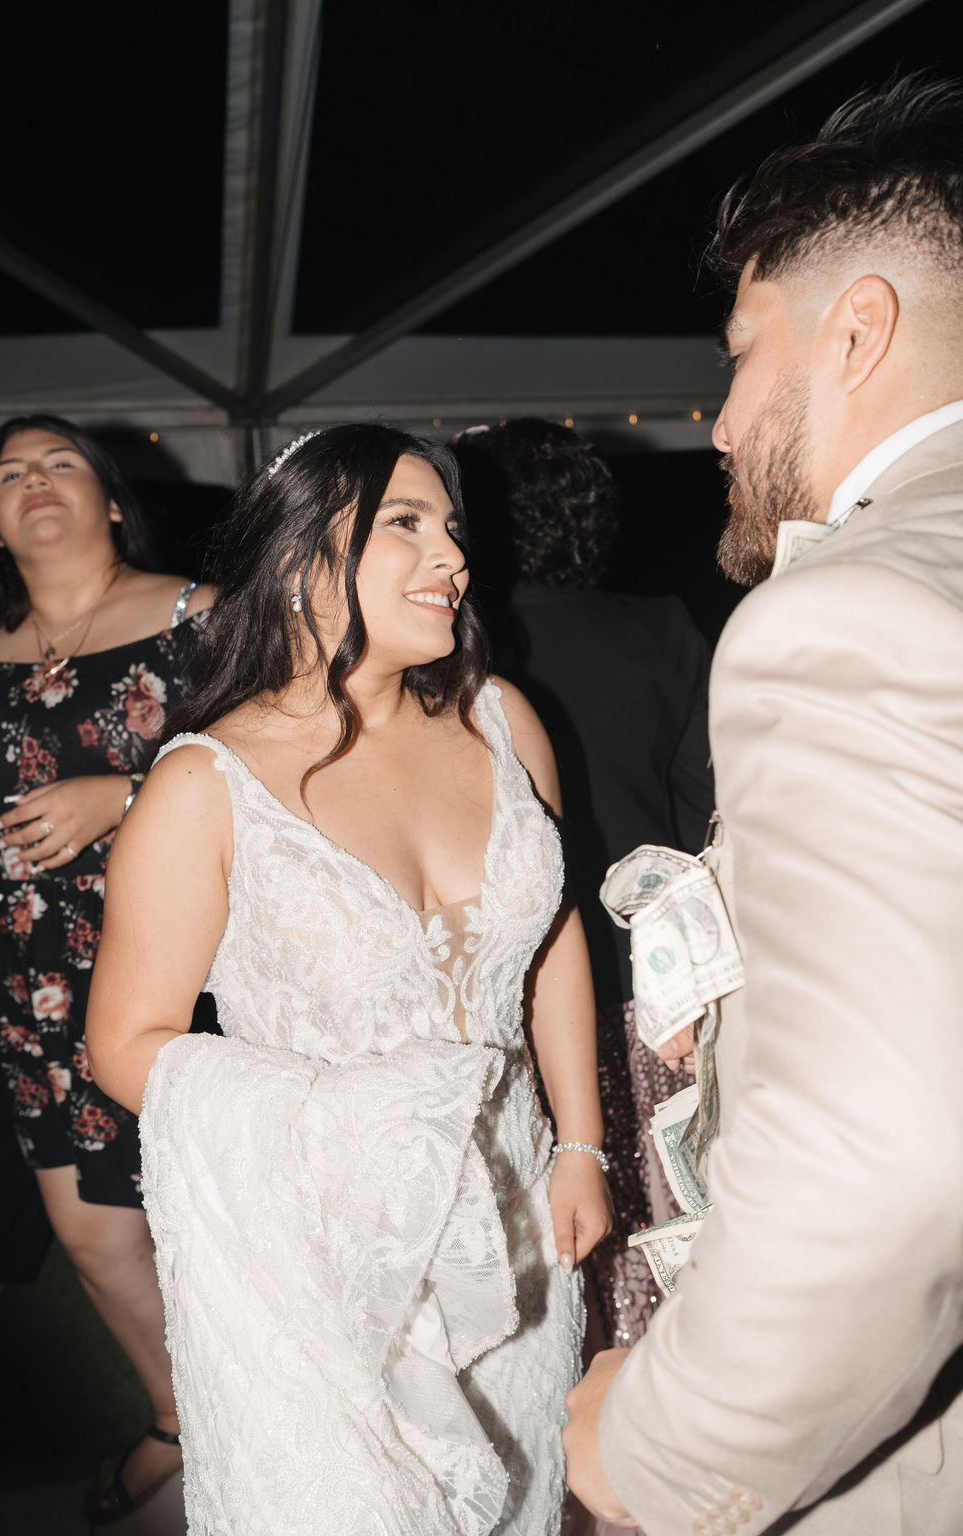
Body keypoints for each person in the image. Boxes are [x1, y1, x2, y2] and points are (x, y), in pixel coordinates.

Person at [85, 422, 613, 1535]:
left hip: (520, 1219)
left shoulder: (504, 717)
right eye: (406, 527)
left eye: (452, 528)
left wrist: (578, 1144)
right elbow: (127, 1039)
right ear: (298, 561)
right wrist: (335, 1130)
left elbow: (553, 932)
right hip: (330, 1247)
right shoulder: (205, 785)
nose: (454, 559)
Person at [564, 73, 963, 1535]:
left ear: (858, 332)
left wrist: (662, 1451)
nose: (715, 419)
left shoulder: (848, 618)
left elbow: (897, 1170)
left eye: (738, 356)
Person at [0, 413, 214, 1521]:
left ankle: (273, 1416)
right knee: (93, 1232)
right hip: (34, 986)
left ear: (110, 499)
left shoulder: (200, 615)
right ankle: (177, 1415)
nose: (35, 482)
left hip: (191, 971)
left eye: (61, 464)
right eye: (11, 472)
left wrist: (132, 796)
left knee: (216, 1218)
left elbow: (298, 768)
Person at [453, 419, 714, 1352]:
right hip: (656, 994)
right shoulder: (663, 630)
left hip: (521, 1001)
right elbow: (703, 827)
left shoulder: (457, 663)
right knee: (664, 1243)